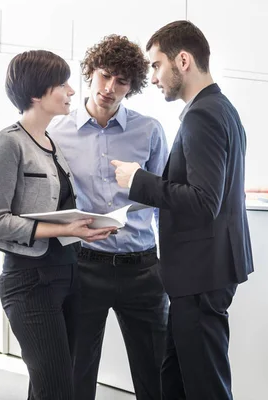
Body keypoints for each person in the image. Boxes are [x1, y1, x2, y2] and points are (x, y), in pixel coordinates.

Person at [111, 21, 254, 400]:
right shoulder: (221, 109)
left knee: (205, 385)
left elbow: (205, 201)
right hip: (203, 272)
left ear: (183, 60)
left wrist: (139, 180)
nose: (154, 78)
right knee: (173, 378)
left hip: (201, 274)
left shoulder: (203, 115)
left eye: (156, 66)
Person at [0, 50, 115, 399]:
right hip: (29, 282)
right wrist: (66, 229)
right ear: (37, 94)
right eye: (62, 84)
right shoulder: (7, 144)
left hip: (68, 276)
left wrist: (87, 224)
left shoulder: (52, 143)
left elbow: (58, 207)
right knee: (56, 390)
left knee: (52, 387)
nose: (72, 91)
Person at [48, 35, 169, 400]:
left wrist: (172, 265)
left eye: (122, 81)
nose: (110, 88)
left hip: (144, 270)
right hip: (84, 267)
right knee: (76, 373)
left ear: (132, 86)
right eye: (104, 76)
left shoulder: (148, 131)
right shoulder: (57, 132)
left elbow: (166, 201)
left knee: (157, 374)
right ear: (90, 73)